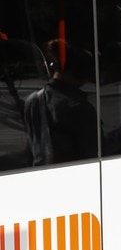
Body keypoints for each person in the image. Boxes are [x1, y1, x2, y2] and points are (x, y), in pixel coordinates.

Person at [23, 39, 98, 167]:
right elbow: (95, 153)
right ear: (80, 72)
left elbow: (31, 146)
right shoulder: (79, 107)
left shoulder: (32, 100)